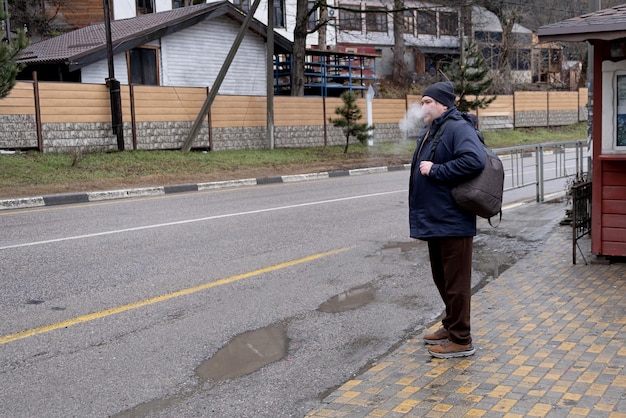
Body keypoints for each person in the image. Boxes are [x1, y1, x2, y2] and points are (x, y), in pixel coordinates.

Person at [408, 81, 485, 358]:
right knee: (442, 279)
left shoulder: (457, 127)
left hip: (453, 221)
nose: (423, 106)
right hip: (437, 220)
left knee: (456, 283)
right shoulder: (434, 129)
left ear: (444, 104)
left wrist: (436, 170)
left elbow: (474, 160)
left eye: (428, 101)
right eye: (422, 101)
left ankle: (461, 339)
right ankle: (451, 325)